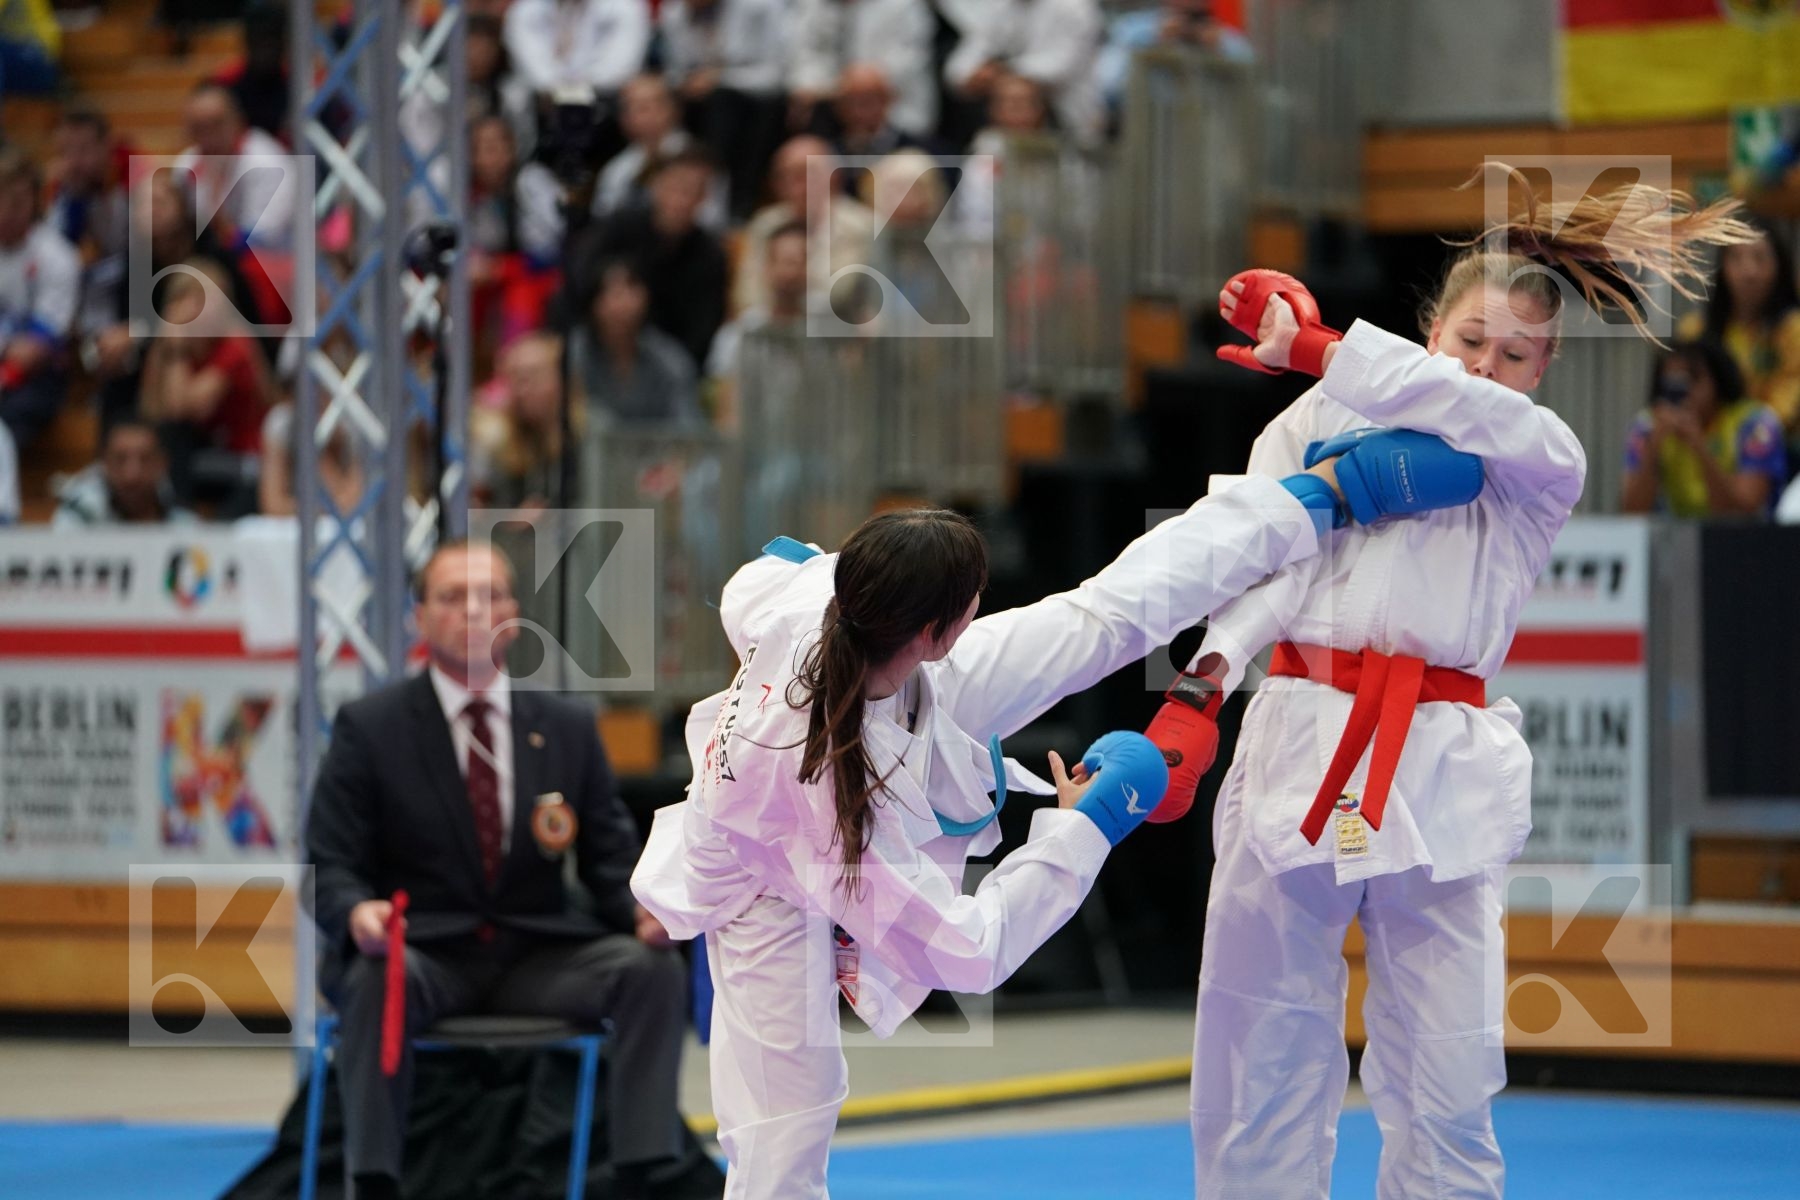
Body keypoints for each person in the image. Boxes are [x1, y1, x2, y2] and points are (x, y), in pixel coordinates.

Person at [632, 423, 1496, 1198]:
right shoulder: (842, 813)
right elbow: (965, 954)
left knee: (1099, 617)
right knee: (785, 1144)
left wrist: (988, 787)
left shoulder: (818, 605)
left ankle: (1322, 496)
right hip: (761, 889)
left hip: (879, 701)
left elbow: (758, 577)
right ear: (945, 628)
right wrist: (1085, 826)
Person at [1143, 170, 1752, 1199]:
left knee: (1449, 1072)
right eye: (1470, 340)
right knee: (1257, 1055)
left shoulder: (1538, 458)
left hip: (1440, 764)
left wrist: (1323, 345)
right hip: (1299, 728)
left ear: (1544, 369)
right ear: (1430, 325)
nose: (1485, 366)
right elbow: (1260, 563)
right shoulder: (1310, 419)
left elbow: (1459, 412)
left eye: (1515, 356)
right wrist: (1198, 688)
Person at [306, 540, 690, 1200]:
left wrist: (643, 909)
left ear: (514, 613)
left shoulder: (567, 725)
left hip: (537, 958)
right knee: (375, 973)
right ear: (418, 618)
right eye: (453, 597)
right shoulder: (371, 727)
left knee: (651, 968)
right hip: (424, 954)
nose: (474, 611)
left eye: (491, 596)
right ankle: (371, 1182)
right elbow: (329, 862)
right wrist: (356, 913)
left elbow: (608, 856)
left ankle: (643, 1173)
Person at [1675, 213, 1800, 452]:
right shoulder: (1695, 330)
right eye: (1737, 258)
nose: (1749, 271)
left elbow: (1787, 407)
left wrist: (1745, 437)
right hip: (1703, 445)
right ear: (1723, 267)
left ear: (1779, 265)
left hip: (1770, 449)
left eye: (1760, 258)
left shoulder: (1793, 330)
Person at [1621, 338, 1785, 518]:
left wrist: (1699, 447)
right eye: (1671, 384)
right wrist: (1653, 449)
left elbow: (1742, 512)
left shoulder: (1755, 424)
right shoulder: (1648, 427)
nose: (1684, 393)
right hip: (1680, 540)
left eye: (1692, 379)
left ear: (1717, 380)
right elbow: (1632, 512)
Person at [0, 147, 79, 452]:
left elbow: (35, 348)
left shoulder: (57, 255)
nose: (7, 210)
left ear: (35, 200)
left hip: (36, 380)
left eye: (18, 200)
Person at [945, 0, 1107, 148]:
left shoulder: (1075, 6)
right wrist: (973, 76)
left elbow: (1063, 65)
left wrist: (1001, 72)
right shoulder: (1001, 6)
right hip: (1004, 135)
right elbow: (958, 68)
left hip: (1071, 119)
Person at [570, 257, 703, 428]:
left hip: (659, 453)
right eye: (611, 295)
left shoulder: (670, 362)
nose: (619, 306)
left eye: (629, 292)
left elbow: (688, 428)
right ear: (593, 303)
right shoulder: (575, 353)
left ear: (645, 298)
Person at [174, 84, 300, 252]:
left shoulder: (267, 162)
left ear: (237, 120)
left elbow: (262, 238)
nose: (208, 137)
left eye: (216, 124)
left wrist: (218, 228)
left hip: (276, 261)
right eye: (198, 128)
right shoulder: (186, 166)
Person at [787, 0, 936, 141]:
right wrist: (809, 86)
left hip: (897, 113)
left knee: (865, 92)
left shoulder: (904, 5)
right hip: (834, 103)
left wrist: (851, 83)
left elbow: (905, 63)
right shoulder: (817, 5)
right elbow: (806, 54)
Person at [52, 415, 197, 527]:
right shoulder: (79, 519)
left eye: (145, 459)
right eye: (120, 459)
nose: (132, 475)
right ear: (104, 462)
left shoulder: (186, 528)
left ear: (162, 463)